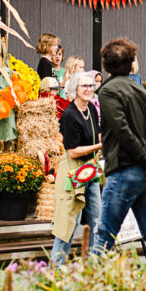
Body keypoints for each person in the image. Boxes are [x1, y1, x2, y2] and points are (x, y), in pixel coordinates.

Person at [93, 38, 146, 258]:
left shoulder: (107, 91)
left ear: (106, 64)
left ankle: (88, 279)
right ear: (131, 63)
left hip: (123, 170)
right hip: (145, 174)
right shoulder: (140, 90)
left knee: (104, 236)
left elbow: (122, 131)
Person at [50, 71, 102, 265]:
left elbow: (96, 135)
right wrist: (100, 146)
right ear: (75, 89)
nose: (89, 89)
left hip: (90, 170)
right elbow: (72, 152)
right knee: (69, 222)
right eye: (84, 86)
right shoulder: (69, 115)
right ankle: (56, 269)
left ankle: (94, 267)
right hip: (74, 172)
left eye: (91, 86)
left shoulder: (92, 109)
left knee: (97, 221)